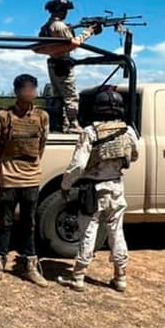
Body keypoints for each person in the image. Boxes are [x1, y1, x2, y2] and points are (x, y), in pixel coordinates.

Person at [60, 87, 139, 292]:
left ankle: (78, 277)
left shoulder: (90, 132)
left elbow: (78, 165)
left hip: (93, 191)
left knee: (88, 232)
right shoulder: (128, 131)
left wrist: (65, 185)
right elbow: (135, 155)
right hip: (116, 187)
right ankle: (120, 277)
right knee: (117, 233)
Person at [0, 74, 50, 287]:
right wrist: (9, 164)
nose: (28, 93)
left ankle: (30, 266)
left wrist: (29, 166)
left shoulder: (42, 116)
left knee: (29, 223)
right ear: (16, 91)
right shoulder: (3, 117)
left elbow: (41, 145)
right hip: (8, 178)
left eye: (32, 89)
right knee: (5, 223)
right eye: (24, 89)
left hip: (31, 178)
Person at [38, 0, 98, 133]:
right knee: (71, 96)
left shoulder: (49, 25)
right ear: (59, 11)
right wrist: (88, 33)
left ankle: (62, 124)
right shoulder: (59, 26)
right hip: (62, 64)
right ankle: (73, 124)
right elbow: (73, 44)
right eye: (64, 10)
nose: (66, 13)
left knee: (59, 96)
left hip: (54, 63)